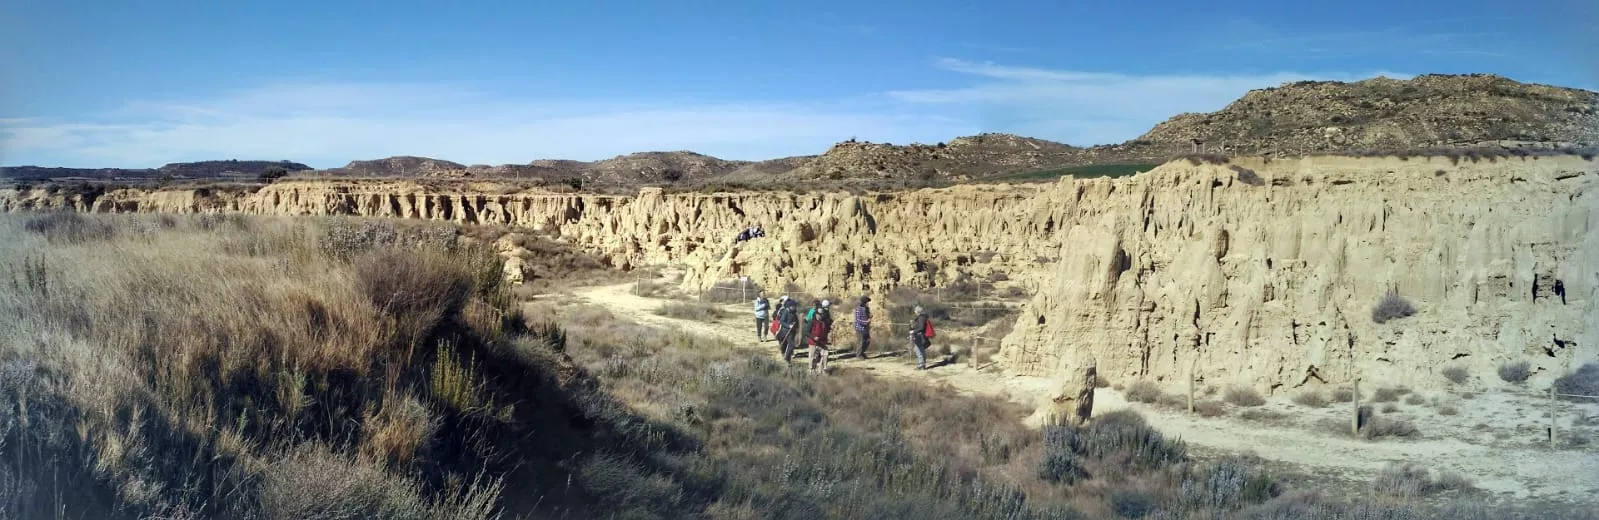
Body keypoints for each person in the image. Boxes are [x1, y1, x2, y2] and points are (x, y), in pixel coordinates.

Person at [808, 299, 833, 373]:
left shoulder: (823, 322)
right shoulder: (812, 322)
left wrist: (831, 327)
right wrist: (813, 337)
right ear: (816, 314)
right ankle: (811, 370)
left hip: (822, 341)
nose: (820, 316)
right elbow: (806, 332)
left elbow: (825, 330)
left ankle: (823, 369)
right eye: (819, 315)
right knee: (813, 356)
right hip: (813, 342)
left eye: (821, 314)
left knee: (825, 354)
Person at [908, 306, 934, 370]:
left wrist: (913, 331)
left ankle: (921, 365)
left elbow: (921, 327)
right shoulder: (922, 317)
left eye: (915, 310)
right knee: (921, 350)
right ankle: (922, 365)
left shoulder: (921, 318)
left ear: (917, 311)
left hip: (920, 336)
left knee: (918, 351)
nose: (914, 311)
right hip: (921, 336)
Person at [778, 297, 800, 363]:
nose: (795, 307)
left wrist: (796, 327)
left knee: (789, 345)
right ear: (790, 306)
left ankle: (787, 357)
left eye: (795, 306)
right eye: (794, 306)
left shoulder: (794, 312)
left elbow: (796, 321)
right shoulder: (786, 312)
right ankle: (786, 357)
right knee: (790, 345)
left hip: (792, 332)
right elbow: (781, 321)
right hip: (786, 331)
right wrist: (788, 325)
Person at [853, 295, 872, 359]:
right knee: (861, 342)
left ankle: (862, 352)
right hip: (860, 328)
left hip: (866, 328)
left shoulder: (867, 308)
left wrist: (870, 316)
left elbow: (868, 316)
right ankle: (859, 355)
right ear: (864, 302)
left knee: (867, 341)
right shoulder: (858, 309)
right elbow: (858, 319)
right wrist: (866, 322)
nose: (868, 303)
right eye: (867, 302)